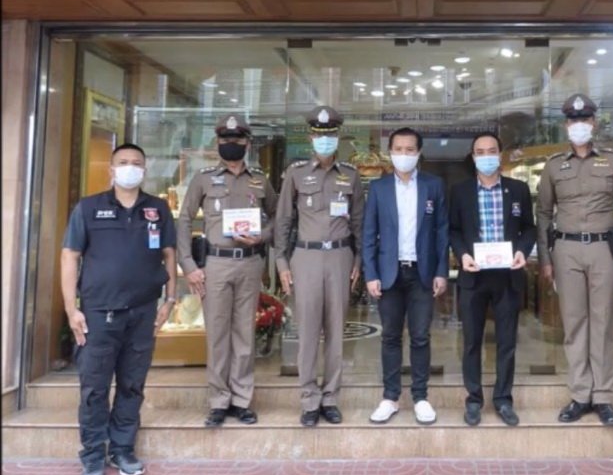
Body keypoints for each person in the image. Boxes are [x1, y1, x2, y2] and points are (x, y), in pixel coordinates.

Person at [60, 143, 177, 475]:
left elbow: (169, 253)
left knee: (132, 385)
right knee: (94, 388)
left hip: (143, 312)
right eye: (123, 162)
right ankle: (93, 456)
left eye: (136, 163)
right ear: (111, 170)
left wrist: (170, 300)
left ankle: (123, 450)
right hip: (98, 314)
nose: (130, 167)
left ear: (145, 170)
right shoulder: (89, 208)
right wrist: (71, 308)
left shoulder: (157, 208)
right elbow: (70, 256)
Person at [536, 93, 613, 427]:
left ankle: (604, 397)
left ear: (593, 123)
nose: (578, 125)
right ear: (566, 125)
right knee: (574, 323)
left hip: (603, 250)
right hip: (565, 249)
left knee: (603, 322)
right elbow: (543, 214)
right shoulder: (554, 165)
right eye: (573, 120)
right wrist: (545, 258)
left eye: (583, 120)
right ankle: (581, 394)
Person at [177, 113, 277, 428]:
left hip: (249, 262)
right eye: (225, 139)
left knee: (245, 333)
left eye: (236, 139)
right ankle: (219, 401)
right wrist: (188, 264)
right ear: (217, 142)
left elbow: (278, 218)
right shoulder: (203, 178)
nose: (230, 143)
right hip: (216, 264)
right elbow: (184, 219)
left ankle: (241, 400)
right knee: (218, 334)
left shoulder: (260, 179)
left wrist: (263, 236)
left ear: (247, 143)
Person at [273, 105, 365, 427]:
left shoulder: (351, 175)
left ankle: (330, 397)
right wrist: (281, 262)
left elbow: (359, 223)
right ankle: (309, 398)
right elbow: (283, 221)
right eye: (319, 135)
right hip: (306, 257)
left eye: (330, 135)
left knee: (337, 332)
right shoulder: (296, 174)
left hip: (340, 257)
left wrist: (359, 259)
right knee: (308, 331)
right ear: (311, 138)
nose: (325, 140)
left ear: (337, 137)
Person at [362, 127, 449, 425]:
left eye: (409, 149)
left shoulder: (433, 186)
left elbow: (441, 232)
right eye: (398, 149)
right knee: (390, 336)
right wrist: (371, 273)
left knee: (421, 337)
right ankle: (390, 397)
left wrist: (441, 271)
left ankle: (420, 397)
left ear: (419, 152)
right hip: (389, 273)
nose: (404, 154)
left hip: (422, 273)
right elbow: (369, 234)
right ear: (390, 152)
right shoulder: (379, 188)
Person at [449, 132, 536, 427]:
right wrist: (462, 255)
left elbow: (529, 228)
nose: (486, 156)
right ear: (473, 157)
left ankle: (503, 399)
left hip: (508, 276)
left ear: (500, 154)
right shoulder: (460, 191)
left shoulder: (518, 189)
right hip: (473, 276)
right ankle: (474, 400)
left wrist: (523, 251)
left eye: (491, 151)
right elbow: (453, 230)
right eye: (480, 151)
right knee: (472, 341)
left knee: (507, 342)